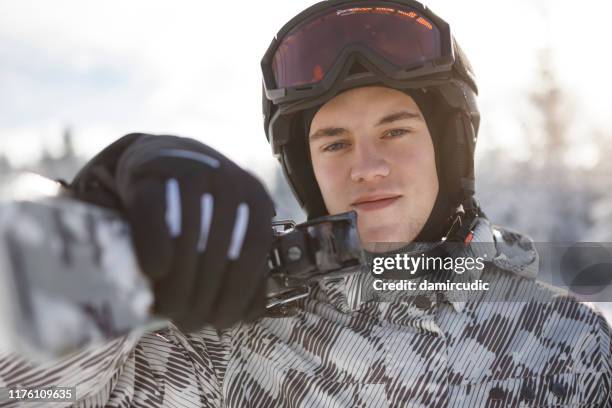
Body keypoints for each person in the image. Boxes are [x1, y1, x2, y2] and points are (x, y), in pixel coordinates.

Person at [1, 0, 611, 406]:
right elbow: (30, 389)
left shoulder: (570, 339)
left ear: (449, 149)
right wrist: (86, 238)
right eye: (334, 142)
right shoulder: (229, 335)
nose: (366, 167)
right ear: (305, 168)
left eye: (395, 130)